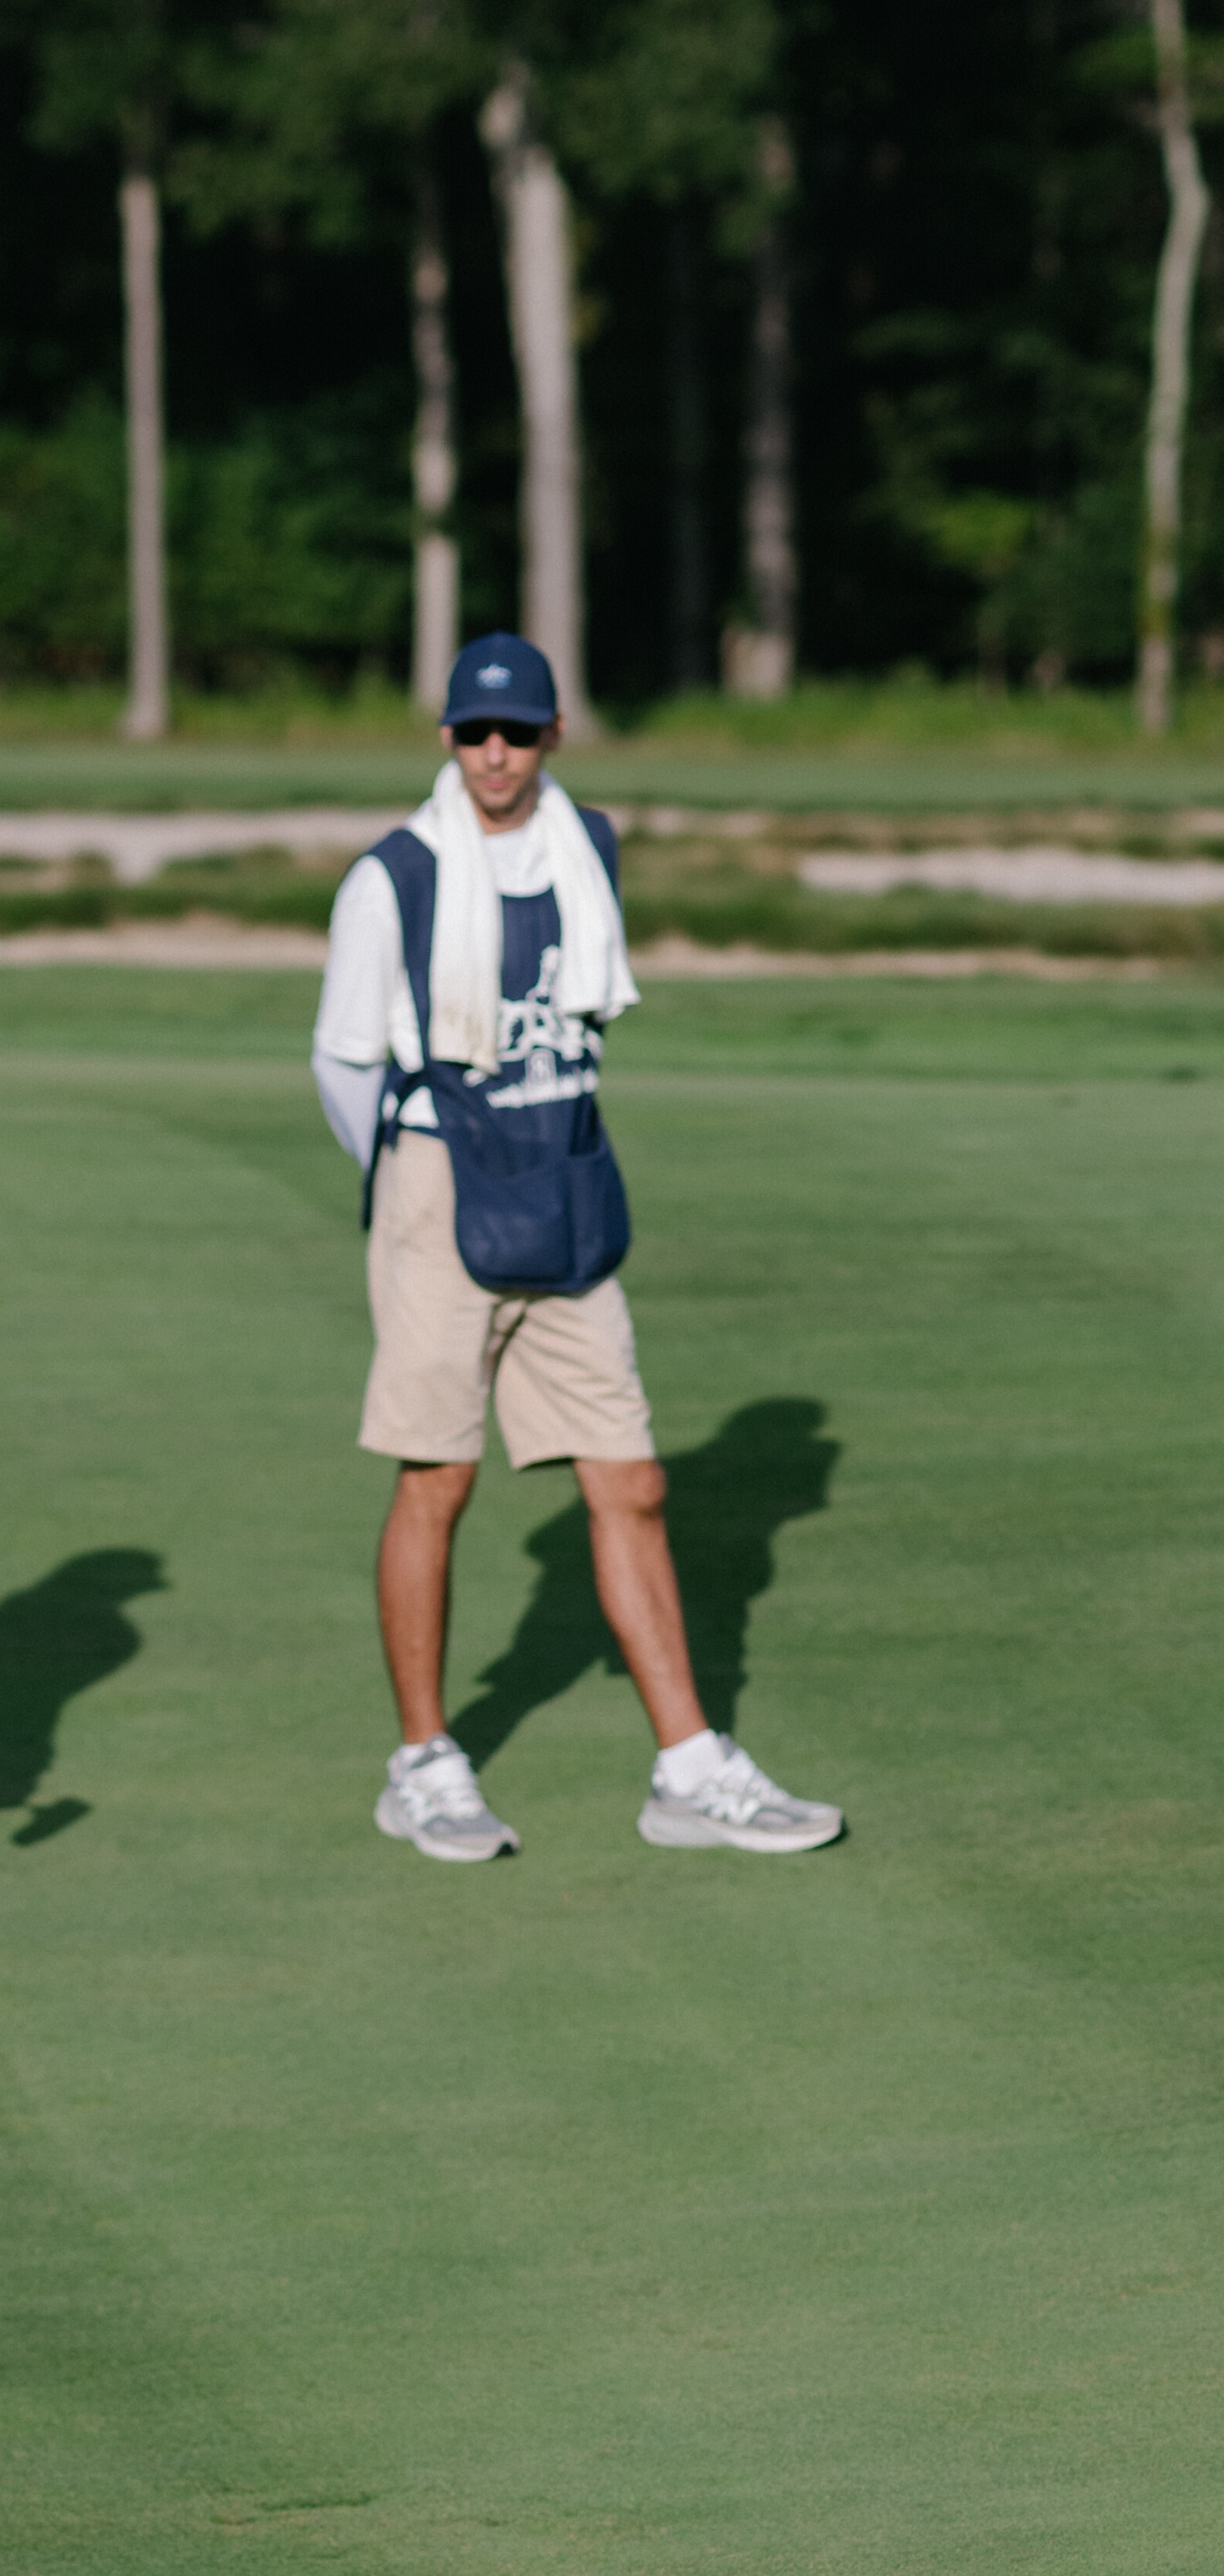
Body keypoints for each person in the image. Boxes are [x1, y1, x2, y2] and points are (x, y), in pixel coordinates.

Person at [310, 634, 845, 1865]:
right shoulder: (390, 877)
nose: (495, 753)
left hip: (564, 1178)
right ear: (445, 739)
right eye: (472, 732)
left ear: (552, 734)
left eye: (517, 731)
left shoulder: (588, 849)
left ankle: (688, 1770)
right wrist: (411, 1189)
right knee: (435, 1480)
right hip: (440, 1189)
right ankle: (423, 1765)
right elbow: (340, 1063)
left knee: (632, 1478)